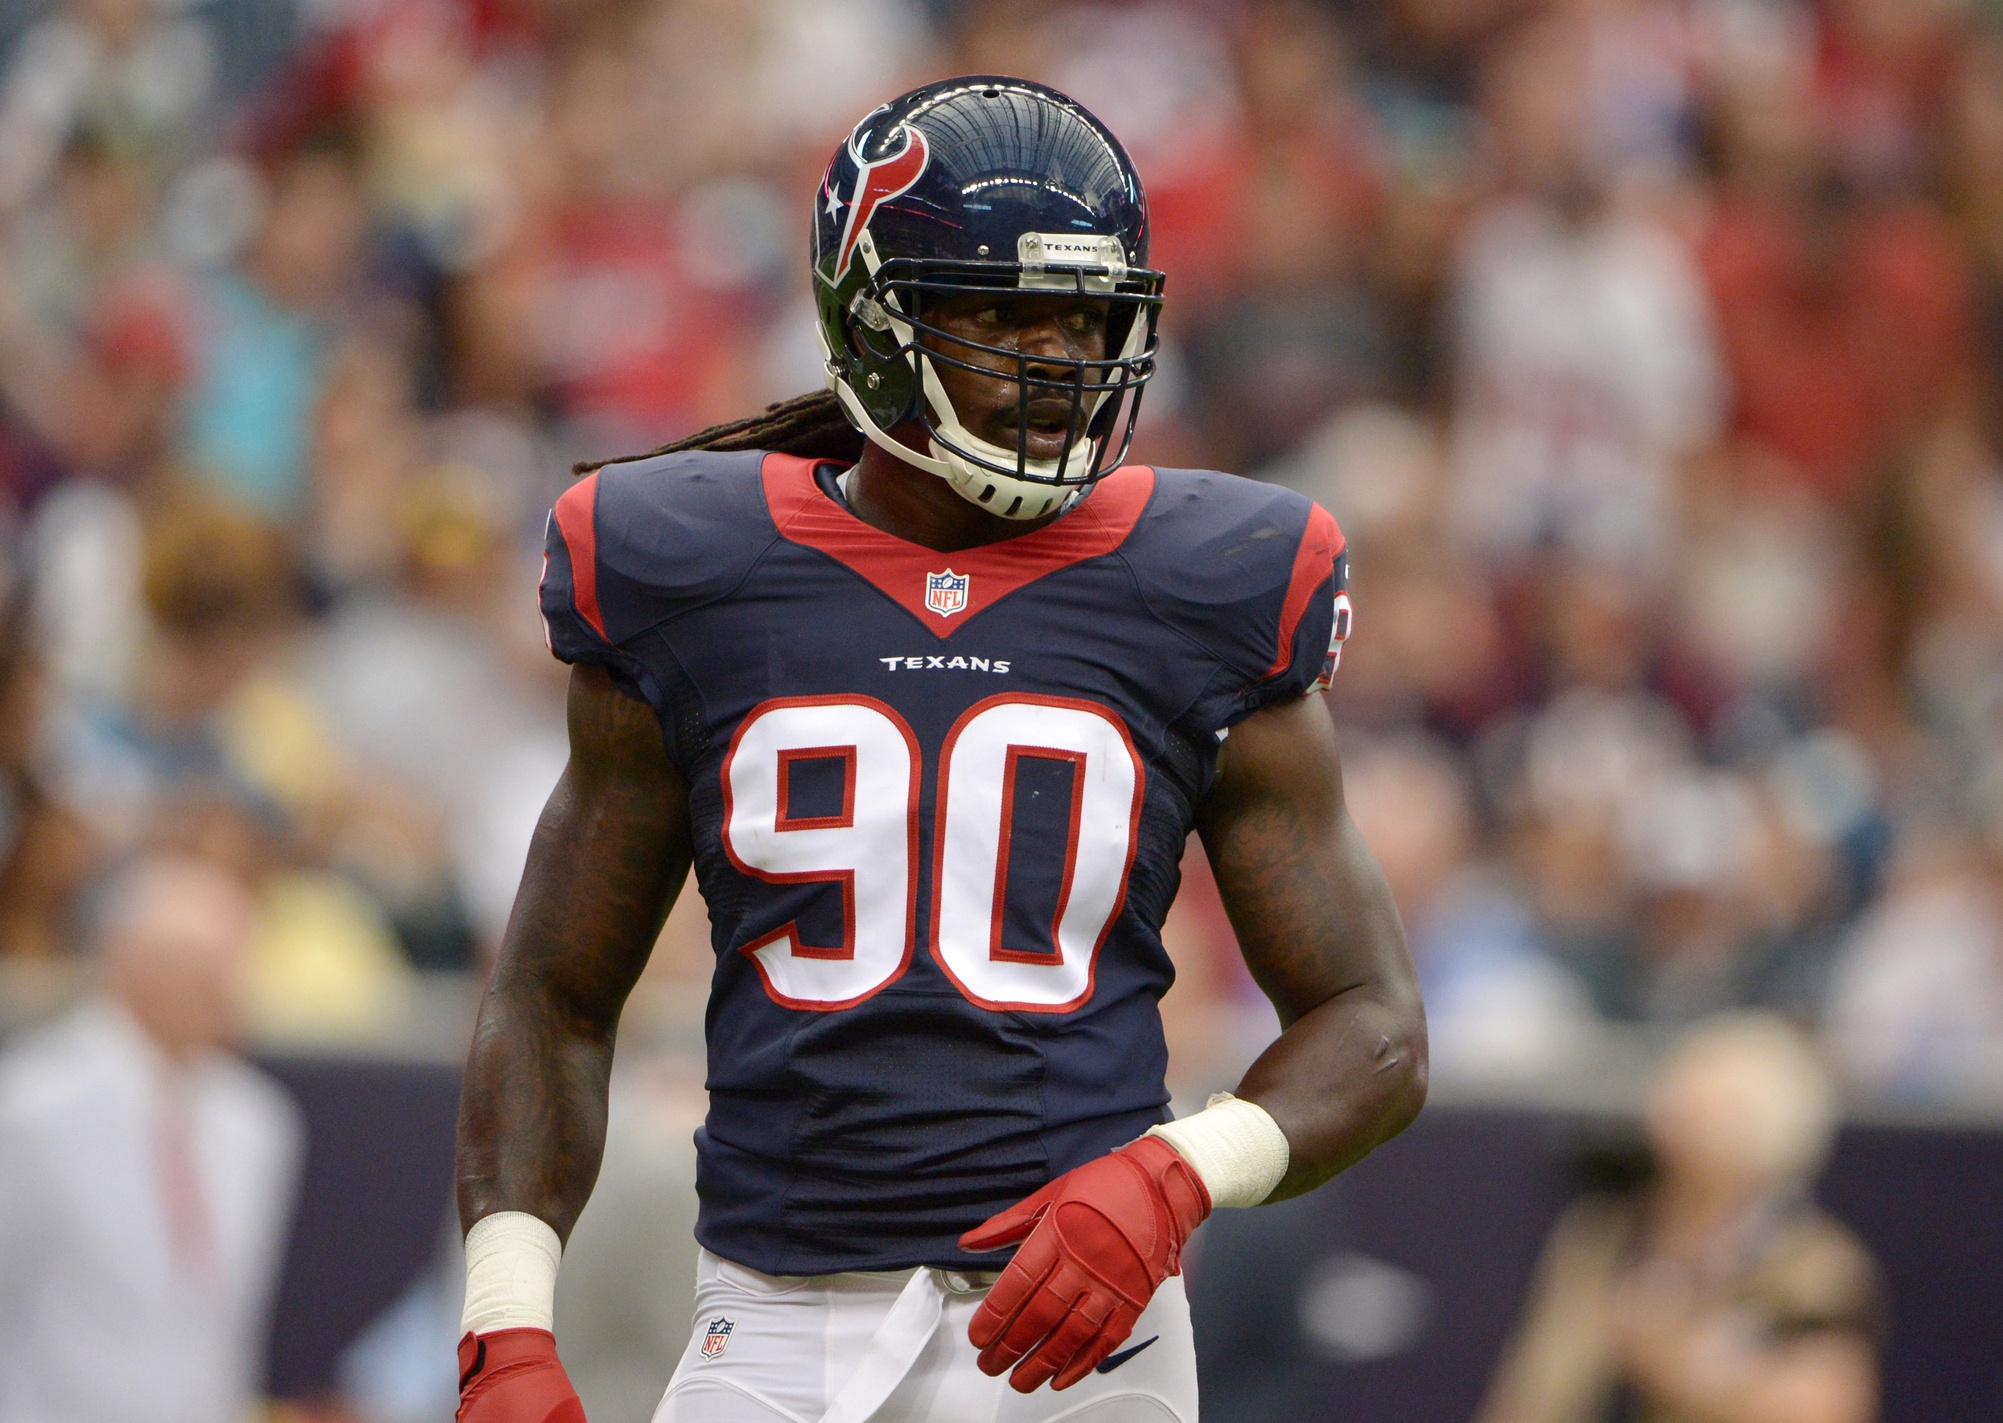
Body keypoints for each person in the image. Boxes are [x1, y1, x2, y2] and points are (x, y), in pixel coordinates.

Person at [453, 76, 1426, 1423]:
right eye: (995, 315)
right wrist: (503, 1318)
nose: (1054, 364)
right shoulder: (692, 571)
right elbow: (554, 994)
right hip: (773, 1316)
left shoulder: (1207, 583)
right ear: (867, 320)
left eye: (1083, 321)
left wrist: (1177, 1169)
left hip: (1088, 1332)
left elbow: (1371, 1022)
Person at [0, 853, 305, 1423]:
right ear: (131, 962)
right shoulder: (32, 1109)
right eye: (204, 966)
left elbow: (231, 1327)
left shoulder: (259, 1125)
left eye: (236, 964)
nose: (228, 989)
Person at [1476, 1012, 1881, 1423]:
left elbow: (1827, 1406)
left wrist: (1675, 1367)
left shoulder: (1812, 1265)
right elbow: (1534, 1383)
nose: (1677, 1124)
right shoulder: (1600, 1237)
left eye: (1712, 1114)